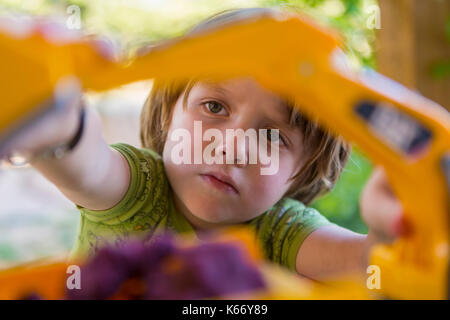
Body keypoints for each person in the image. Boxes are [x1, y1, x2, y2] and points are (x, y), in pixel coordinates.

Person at [1, 7, 406, 281]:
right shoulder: (138, 188)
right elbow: (86, 164)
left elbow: (371, 265)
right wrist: (56, 120)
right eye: (214, 107)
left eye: (275, 138)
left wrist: (394, 234)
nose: (232, 146)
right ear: (168, 115)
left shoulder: (282, 231)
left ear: (303, 172)